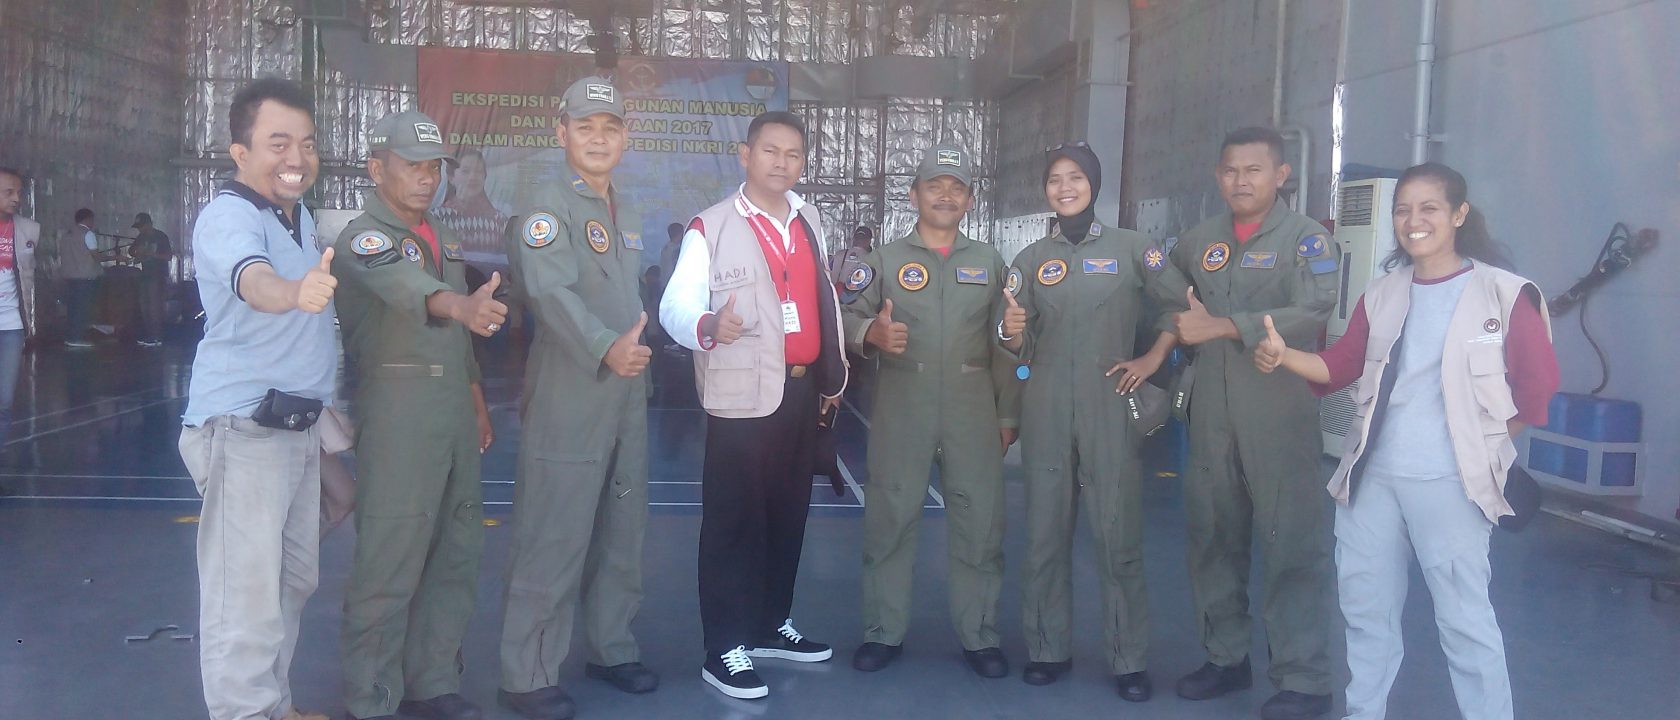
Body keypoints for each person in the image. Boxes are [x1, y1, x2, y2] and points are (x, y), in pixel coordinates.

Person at [1254, 163, 1558, 720]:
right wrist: (1283, 355)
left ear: (1459, 215)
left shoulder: (1504, 294)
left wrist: (1482, 447)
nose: (1413, 220)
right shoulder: (1383, 293)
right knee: (1366, 614)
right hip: (1373, 480)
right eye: (1402, 210)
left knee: (1464, 621)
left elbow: (1536, 391)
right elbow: (1339, 366)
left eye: (1429, 208)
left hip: (1452, 484)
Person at [660, 111, 848, 700]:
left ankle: (770, 624)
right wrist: (708, 324)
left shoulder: (809, 221)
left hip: (800, 392)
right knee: (733, 523)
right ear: (745, 155)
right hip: (741, 396)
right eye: (770, 150)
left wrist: (831, 375)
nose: (781, 162)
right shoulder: (710, 227)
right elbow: (674, 308)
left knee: (787, 517)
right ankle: (724, 648)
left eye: (793, 154)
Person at [1000, 142, 1190, 699]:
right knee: (1044, 534)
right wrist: (1010, 332)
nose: (1065, 187)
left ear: (1094, 185)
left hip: (1110, 403)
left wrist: (1153, 359)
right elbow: (1015, 340)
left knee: (1117, 533)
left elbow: (1181, 305)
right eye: (1055, 179)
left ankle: (1129, 660)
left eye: (1076, 177)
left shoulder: (1133, 249)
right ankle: (1046, 649)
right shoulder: (1030, 260)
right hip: (1046, 407)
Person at [176, 77, 339, 720]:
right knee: (244, 594)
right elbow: (255, 281)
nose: (296, 157)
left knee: (290, 581)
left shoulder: (295, 216)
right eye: (278, 143)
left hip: (293, 426)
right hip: (243, 428)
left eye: (307, 143)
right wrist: (294, 293)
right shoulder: (229, 216)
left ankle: (275, 707)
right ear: (240, 152)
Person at [333, 110, 502, 720]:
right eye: (413, 166)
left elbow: (459, 343)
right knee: (391, 555)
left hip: (452, 411)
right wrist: (461, 305)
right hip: (398, 413)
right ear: (377, 168)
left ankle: (432, 683)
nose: (427, 178)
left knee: (455, 549)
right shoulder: (363, 238)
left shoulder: (442, 235)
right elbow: (412, 290)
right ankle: (371, 696)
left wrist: (476, 404)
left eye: (434, 167)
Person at [498, 76, 657, 720]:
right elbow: (550, 292)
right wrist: (604, 346)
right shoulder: (545, 209)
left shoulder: (625, 209)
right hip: (572, 387)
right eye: (585, 127)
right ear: (560, 132)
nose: (598, 138)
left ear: (625, 137)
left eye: (610, 128)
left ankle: (612, 647)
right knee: (555, 531)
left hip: (626, 389)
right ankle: (527, 673)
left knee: (622, 528)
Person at [1168, 127, 1340, 720]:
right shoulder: (1199, 241)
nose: (1240, 181)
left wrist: (1223, 326)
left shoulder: (1306, 239)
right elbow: (1166, 298)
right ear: (1218, 176)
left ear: (1281, 175)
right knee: (1213, 536)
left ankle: (1304, 678)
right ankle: (1225, 657)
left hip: (1278, 409)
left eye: (1254, 170)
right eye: (1230, 170)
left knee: (1290, 542)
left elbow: (1315, 306)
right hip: (1211, 413)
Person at [839, 145, 1018, 678]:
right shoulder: (884, 260)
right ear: (914, 194)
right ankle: (883, 632)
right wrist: (870, 332)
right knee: (890, 519)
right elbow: (844, 316)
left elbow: (1006, 344)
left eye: (956, 187)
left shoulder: (989, 262)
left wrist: (1008, 415)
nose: (945, 195)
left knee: (979, 522)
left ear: (969, 199)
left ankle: (980, 636)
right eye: (934, 185)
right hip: (904, 402)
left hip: (972, 407)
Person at [0, 167, 39, 445]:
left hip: (11, 326)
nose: (16, 198)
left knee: (4, 400)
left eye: (19, 192)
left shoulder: (29, 229)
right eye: (8, 192)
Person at [433, 147, 510, 261]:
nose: (473, 177)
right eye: (465, 171)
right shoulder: (437, 218)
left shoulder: (499, 221)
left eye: (478, 172)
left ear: (484, 177)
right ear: (451, 177)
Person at [57, 208, 102, 348]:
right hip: (84, 278)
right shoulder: (88, 234)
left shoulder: (66, 235)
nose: (93, 223)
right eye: (92, 219)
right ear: (88, 219)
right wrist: (116, 257)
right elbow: (96, 256)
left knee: (73, 308)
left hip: (69, 277)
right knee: (82, 309)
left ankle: (71, 336)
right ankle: (77, 338)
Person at [128, 212, 173, 346]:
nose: (140, 229)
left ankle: (157, 336)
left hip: (158, 275)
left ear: (149, 224)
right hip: (145, 275)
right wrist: (137, 251)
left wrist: (152, 254)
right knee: (144, 306)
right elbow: (131, 251)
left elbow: (169, 256)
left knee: (155, 306)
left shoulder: (160, 236)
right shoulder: (141, 237)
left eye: (141, 226)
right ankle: (149, 334)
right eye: (138, 227)